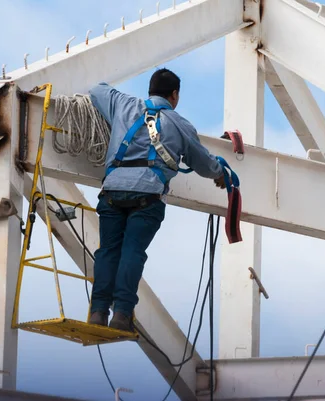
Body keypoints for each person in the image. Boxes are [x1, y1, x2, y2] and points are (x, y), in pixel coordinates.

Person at [87, 68, 226, 332]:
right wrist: (219, 174)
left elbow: (96, 90)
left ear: (149, 90)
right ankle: (122, 314)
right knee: (132, 252)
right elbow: (204, 163)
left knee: (107, 251)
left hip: (113, 190)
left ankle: (97, 311)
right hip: (147, 196)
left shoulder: (123, 103)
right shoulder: (180, 125)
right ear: (175, 95)